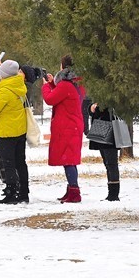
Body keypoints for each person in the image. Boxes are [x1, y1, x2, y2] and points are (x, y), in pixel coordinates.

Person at [0, 59, 29, 204]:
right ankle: (23, 193)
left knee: (8, 164)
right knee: (21, 163)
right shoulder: (18, 86)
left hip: (7, 133)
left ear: (4, 76)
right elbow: (6, 97)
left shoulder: (6, 91)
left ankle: (11, 193)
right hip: (20, 131)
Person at [41, 54, 86, 203]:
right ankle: (71, 189)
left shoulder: (65, 85)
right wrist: (53, 84)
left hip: (68, 127)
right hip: (73, 126)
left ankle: (74, 192)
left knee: (69, 160)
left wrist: (46, 86)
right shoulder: (76, 84)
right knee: (70, 160)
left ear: (63, 67)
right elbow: (62, 96)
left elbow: (50, 99)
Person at [87, 101, 121, 201]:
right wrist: (91, 108)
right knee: (108, 163)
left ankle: (114, 193)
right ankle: (112, 192)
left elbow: (104, 108)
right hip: (102, 128)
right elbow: (92, 108)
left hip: (109, 129)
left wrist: (95, 108)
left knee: (111, 164)